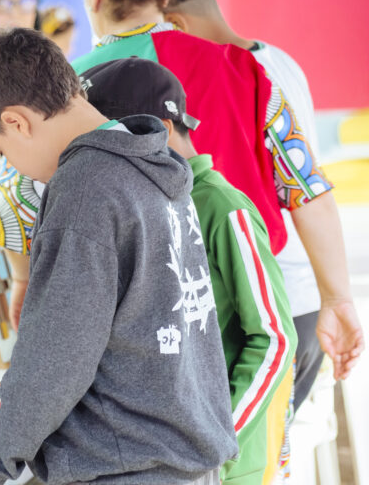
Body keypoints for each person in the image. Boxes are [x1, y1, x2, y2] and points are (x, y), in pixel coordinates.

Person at [0, 0, 363, 385]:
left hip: (143, 339)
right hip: (258, 311)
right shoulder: (244, 69)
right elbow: (306, 188)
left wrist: (23, 281)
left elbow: (14, 204)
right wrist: (336, 297)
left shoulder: (69, 88)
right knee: (257, 444)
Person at [0, 27, 236, 485]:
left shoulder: (86, 187)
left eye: (2, 152)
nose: (12, 166)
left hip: (127, 467)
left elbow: (60, 355)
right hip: (183, 459)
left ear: (16, 122)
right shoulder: (152, 165)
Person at [83, 57, 297, 484]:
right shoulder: (143, 202)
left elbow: (274, 339)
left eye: (115, 137)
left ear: (160, 126)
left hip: (225, 465)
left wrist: (217, 443)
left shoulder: (221, 204)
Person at [163, 0, 364, 412]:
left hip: (265, 311)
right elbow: (309, 189)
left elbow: (304, 192)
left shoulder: (226, 75)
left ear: (172, 24)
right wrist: (336, 295)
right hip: (303, 300)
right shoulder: (279, 62)